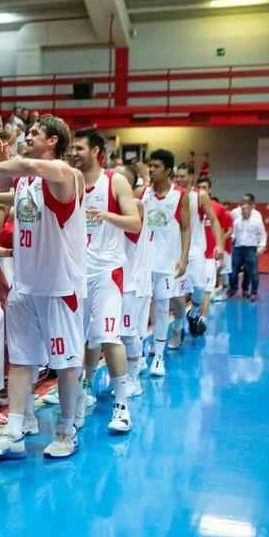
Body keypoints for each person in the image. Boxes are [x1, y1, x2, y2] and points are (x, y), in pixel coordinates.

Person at [0, 115, 87, 459]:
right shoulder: (25, 183)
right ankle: (15, 431)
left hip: (58, 287)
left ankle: (66, 430)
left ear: (53, 141)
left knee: (65, 363)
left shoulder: (67, 175)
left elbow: (14, 165)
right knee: (21, 361)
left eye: (35, 132)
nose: (28, 135)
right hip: (25, 285)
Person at [67, 128, 141, 434]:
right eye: (71, 148)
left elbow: (134, 221)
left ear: (96, 151)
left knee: (110, 337)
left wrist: (106, 215)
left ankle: (122, 406)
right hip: (74, 272)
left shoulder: (116, 181)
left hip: (107, 271)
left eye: (79, 148)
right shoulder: (69, 181)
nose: (73, 153)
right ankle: (83, 389)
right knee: (81, 340)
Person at [137, 149, 190, 377]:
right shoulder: (142, 193)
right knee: (139, 309)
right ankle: (138, 356)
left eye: (156, 166)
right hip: (143, 262)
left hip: (167, 263)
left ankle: (158, 357)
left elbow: (186, 227)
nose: (151, 169)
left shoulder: (180, 195)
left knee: (161, 308)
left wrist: (184, 258)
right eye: (150, 165)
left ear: (168, 170)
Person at [112, 163, 152, 389]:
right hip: (113, 280)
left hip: (131, 282)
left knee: (128, 333)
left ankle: (133, 379)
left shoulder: (135, 205)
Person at [173, 163, 223, 337]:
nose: (178, 179)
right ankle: (177, 329)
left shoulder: (199, 196)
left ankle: (193, 313)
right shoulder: (171, 194)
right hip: (175, 252)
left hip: (195, 251)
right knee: (177, 294)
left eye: (182, 176)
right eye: (176, 176)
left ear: (191, 177)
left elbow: (215, 221)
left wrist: (220, 244)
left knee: (200, 288)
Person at [196, 175, 230, 311]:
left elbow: (221, 231)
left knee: (207, 289)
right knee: (194, 290)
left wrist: (220, 253)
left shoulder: (218, 209)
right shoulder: (191, 206)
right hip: (194, 255)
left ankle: (202, 319)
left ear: (210, 190)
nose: (201, 190)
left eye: (204, 188)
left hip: (210, 256)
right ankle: (193, 315)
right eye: (199, 188)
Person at [230, 193, 265, 301]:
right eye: (242, 209)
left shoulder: (257, 220)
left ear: (251, 208)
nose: (243, 211)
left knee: (252, 271)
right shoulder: (236, 221)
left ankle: (253, 292)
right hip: (238, 248)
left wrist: (261, 247)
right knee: (233, 270)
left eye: (245, 209)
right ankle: (233, 288)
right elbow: (234, 234)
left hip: (250, 248)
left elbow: (262, 235)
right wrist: (231, 241)